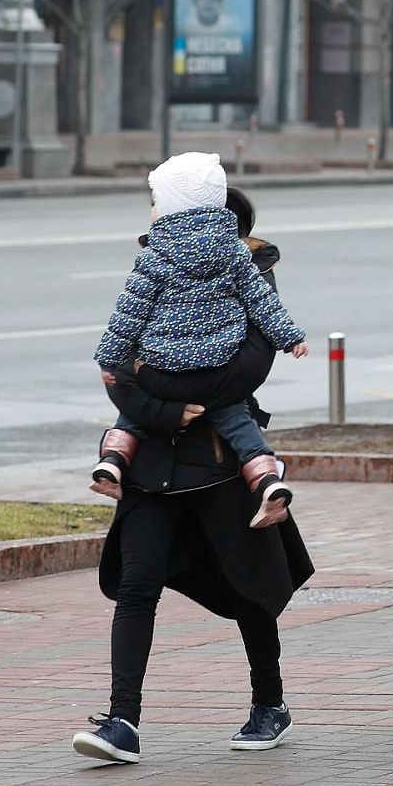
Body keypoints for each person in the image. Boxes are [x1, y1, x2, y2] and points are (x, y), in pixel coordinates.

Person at [72, 187, 315, 765]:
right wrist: (161, 407)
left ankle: (269, 703)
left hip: (222, 462)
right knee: (137, 587)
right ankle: (122, 721)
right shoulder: (155, 264)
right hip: (153, 464)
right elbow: (117, 367)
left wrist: (159, 379)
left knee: (248, 585)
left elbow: (245, 370)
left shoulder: (250, 271)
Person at [91, 153, 307, 527]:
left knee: (130, 417)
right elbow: (263, 303)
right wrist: (291, 337)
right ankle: (268, 480)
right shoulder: (236, 253)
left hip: (164, 368)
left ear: (173, 208)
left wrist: (109, 359)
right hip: (219, 363)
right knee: (238, 421)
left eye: (156, 203)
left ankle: (112, 461)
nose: (152, 211)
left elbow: (128, 314)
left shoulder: (156, 256)